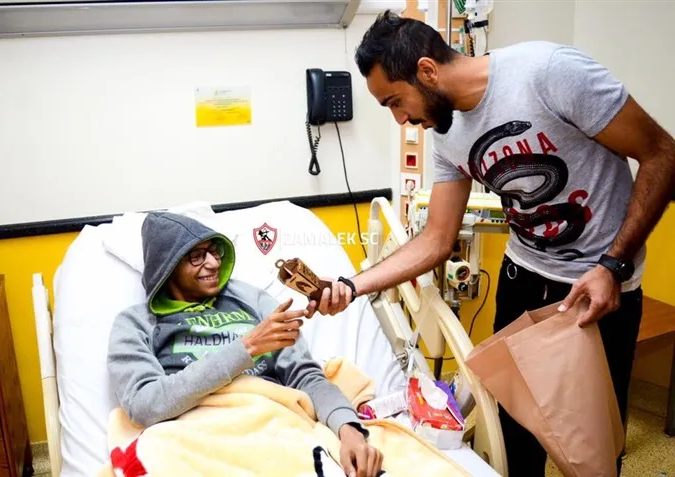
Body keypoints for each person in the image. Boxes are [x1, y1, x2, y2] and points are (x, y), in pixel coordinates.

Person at [317, 10, 675, 477]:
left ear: (427, 71)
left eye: (395, 101)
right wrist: (352, 285)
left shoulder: (549, 74)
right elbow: (437, 238)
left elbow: (662, 155)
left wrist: (614, 265)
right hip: (522, 278)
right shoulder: (447, 135)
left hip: (599, 289)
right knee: (514, 433)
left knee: (595, 445)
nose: (401, 118)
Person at [107, 211, 383, 477]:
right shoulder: (136, 323)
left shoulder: (252, 300)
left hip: (273, 424)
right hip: (194, 435)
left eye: (214, 251)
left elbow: (305, 376)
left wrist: (350, 431)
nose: (213, 264)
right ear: (167, 267)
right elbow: (145, 404)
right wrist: (246, 348)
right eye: (196, 256)